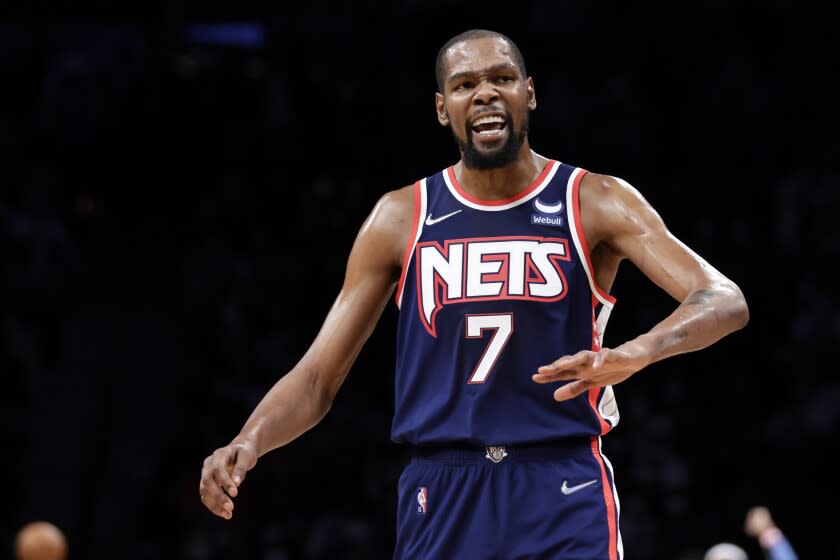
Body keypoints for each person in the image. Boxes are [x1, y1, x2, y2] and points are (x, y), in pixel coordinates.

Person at [199, 28, 750, 558]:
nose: (485, 92)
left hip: (560, 481)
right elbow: (319, 376)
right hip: (442, 488)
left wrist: (636, 352)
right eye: (465, 84)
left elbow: (723, 298)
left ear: (528, 93)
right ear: (443, 108)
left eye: (502, 78)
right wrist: (250, 440)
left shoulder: (594, 199)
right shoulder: (401, 216)